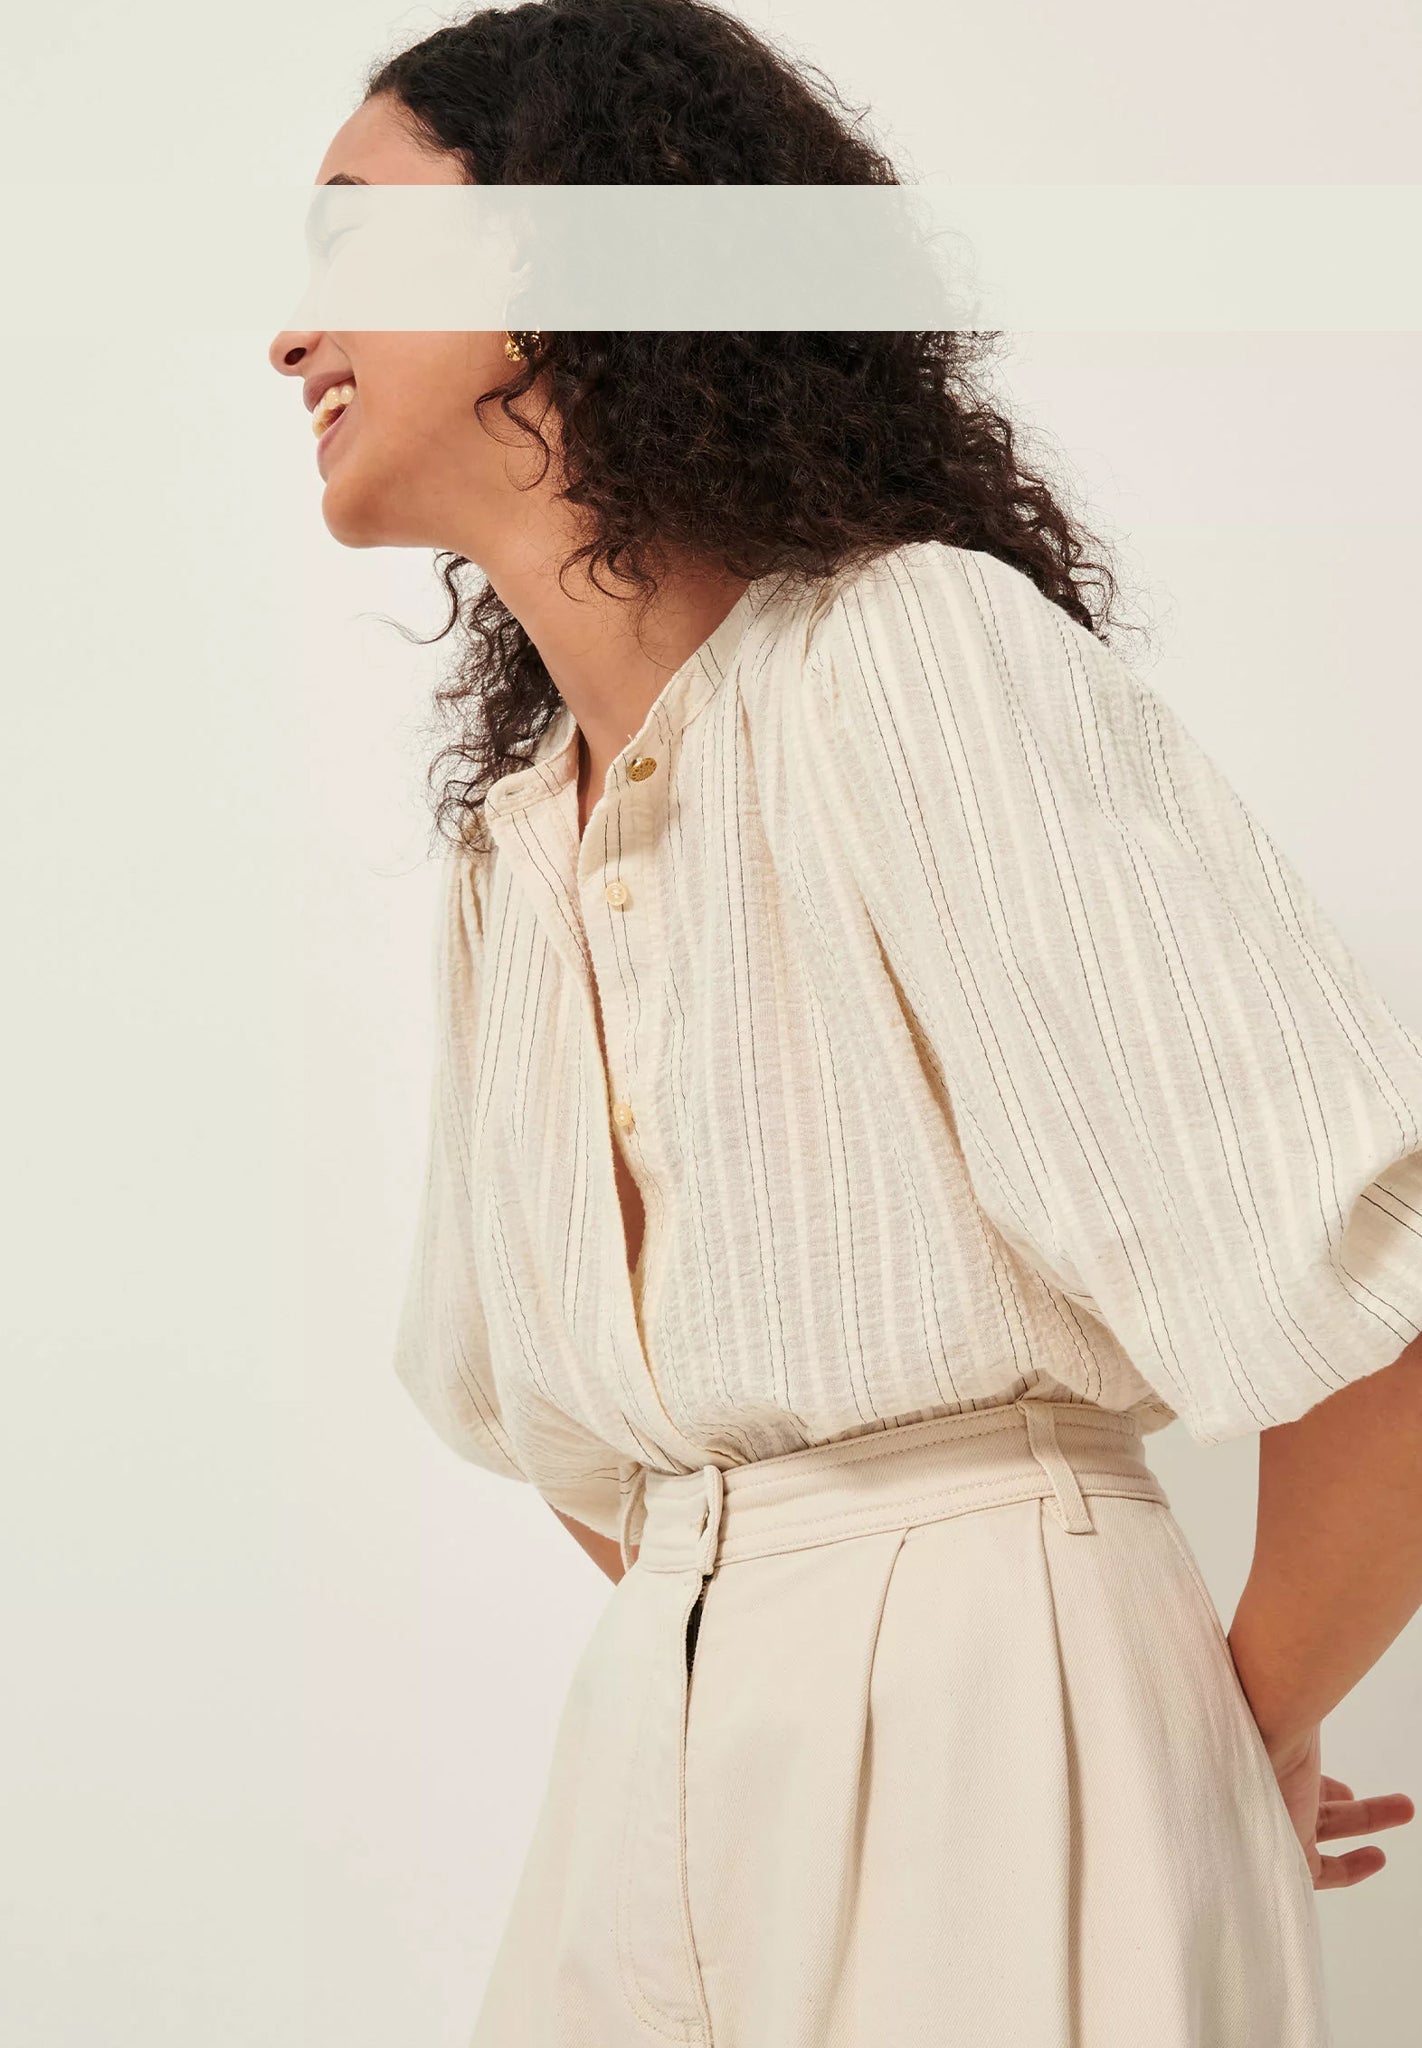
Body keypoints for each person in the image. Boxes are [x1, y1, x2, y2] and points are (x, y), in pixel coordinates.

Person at [268, 2, 1422, 2039]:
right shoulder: (513, 848)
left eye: (358, 235)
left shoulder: (910, 658)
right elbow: (580, 1437)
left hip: (1007, 1710)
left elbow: (1380, 1301)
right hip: (656, 1737)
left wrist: (1200, 1731)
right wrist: (756, 1618)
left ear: (559, 265)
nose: (295, 335)